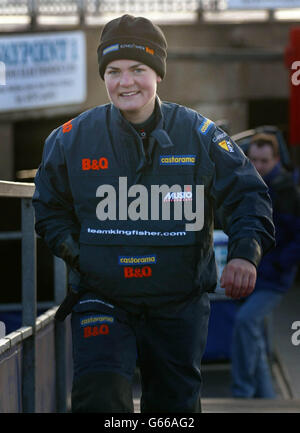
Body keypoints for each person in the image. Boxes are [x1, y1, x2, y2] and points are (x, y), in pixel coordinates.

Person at [32, 14, 275, 413]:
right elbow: (48, 206)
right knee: (100, 397)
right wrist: (82, 255)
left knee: (173, 410)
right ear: (103, 76)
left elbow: (248, 195)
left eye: (138, 69)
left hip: (178, 302)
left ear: (158, 73)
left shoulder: (200, 134)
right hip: (102, 298)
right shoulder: (69, 140)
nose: (125, 82)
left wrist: (245, 253)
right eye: (114, 71)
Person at [231, 133, 300, 398]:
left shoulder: (284, 190)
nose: (258, 166)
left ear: (276, 160)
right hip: (262, 275)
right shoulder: (254, 185)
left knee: (246, 324)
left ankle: (243, 393)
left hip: (273, 278)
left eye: (264, 161)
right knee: (257, 338)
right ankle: (267, 396)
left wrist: (282, 264)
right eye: (254, 159)